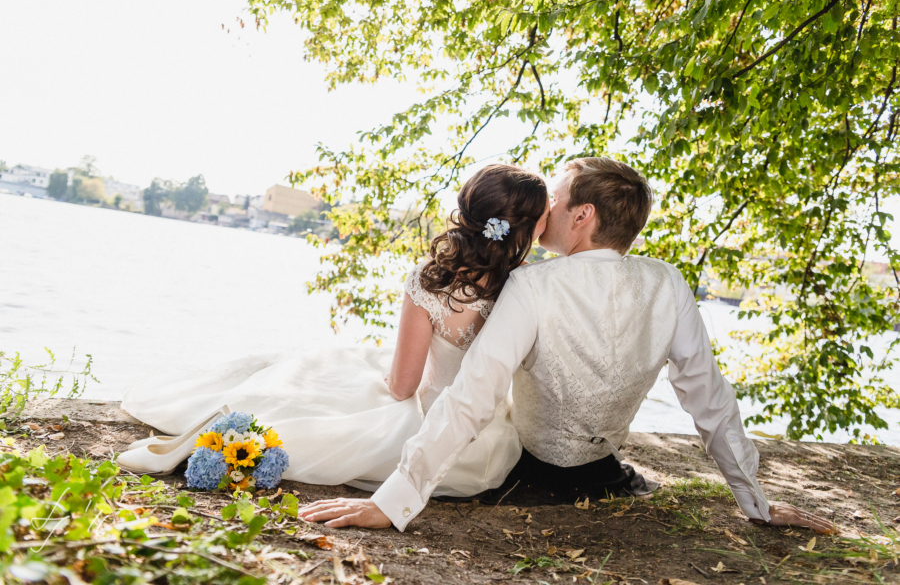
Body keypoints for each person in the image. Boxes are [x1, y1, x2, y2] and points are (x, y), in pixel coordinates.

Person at [299, 157, 834, 535]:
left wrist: (393, 504)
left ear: (583, 217)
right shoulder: (669, 282)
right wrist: (753, 500)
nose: (542, 213)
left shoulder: (532, 285)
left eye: (554, 201)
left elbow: (472, 397)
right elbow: (709, 398)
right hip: (603, 468)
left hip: (525, 467)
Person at [120, 164, 550, 497]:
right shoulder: (529, 286)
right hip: (484, 452)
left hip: (430, 427)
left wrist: (383, 383)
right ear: (525, 227)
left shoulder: (431, 279)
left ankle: (227, 432)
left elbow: (403, 388)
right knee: (340, 373)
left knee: (329, 383)